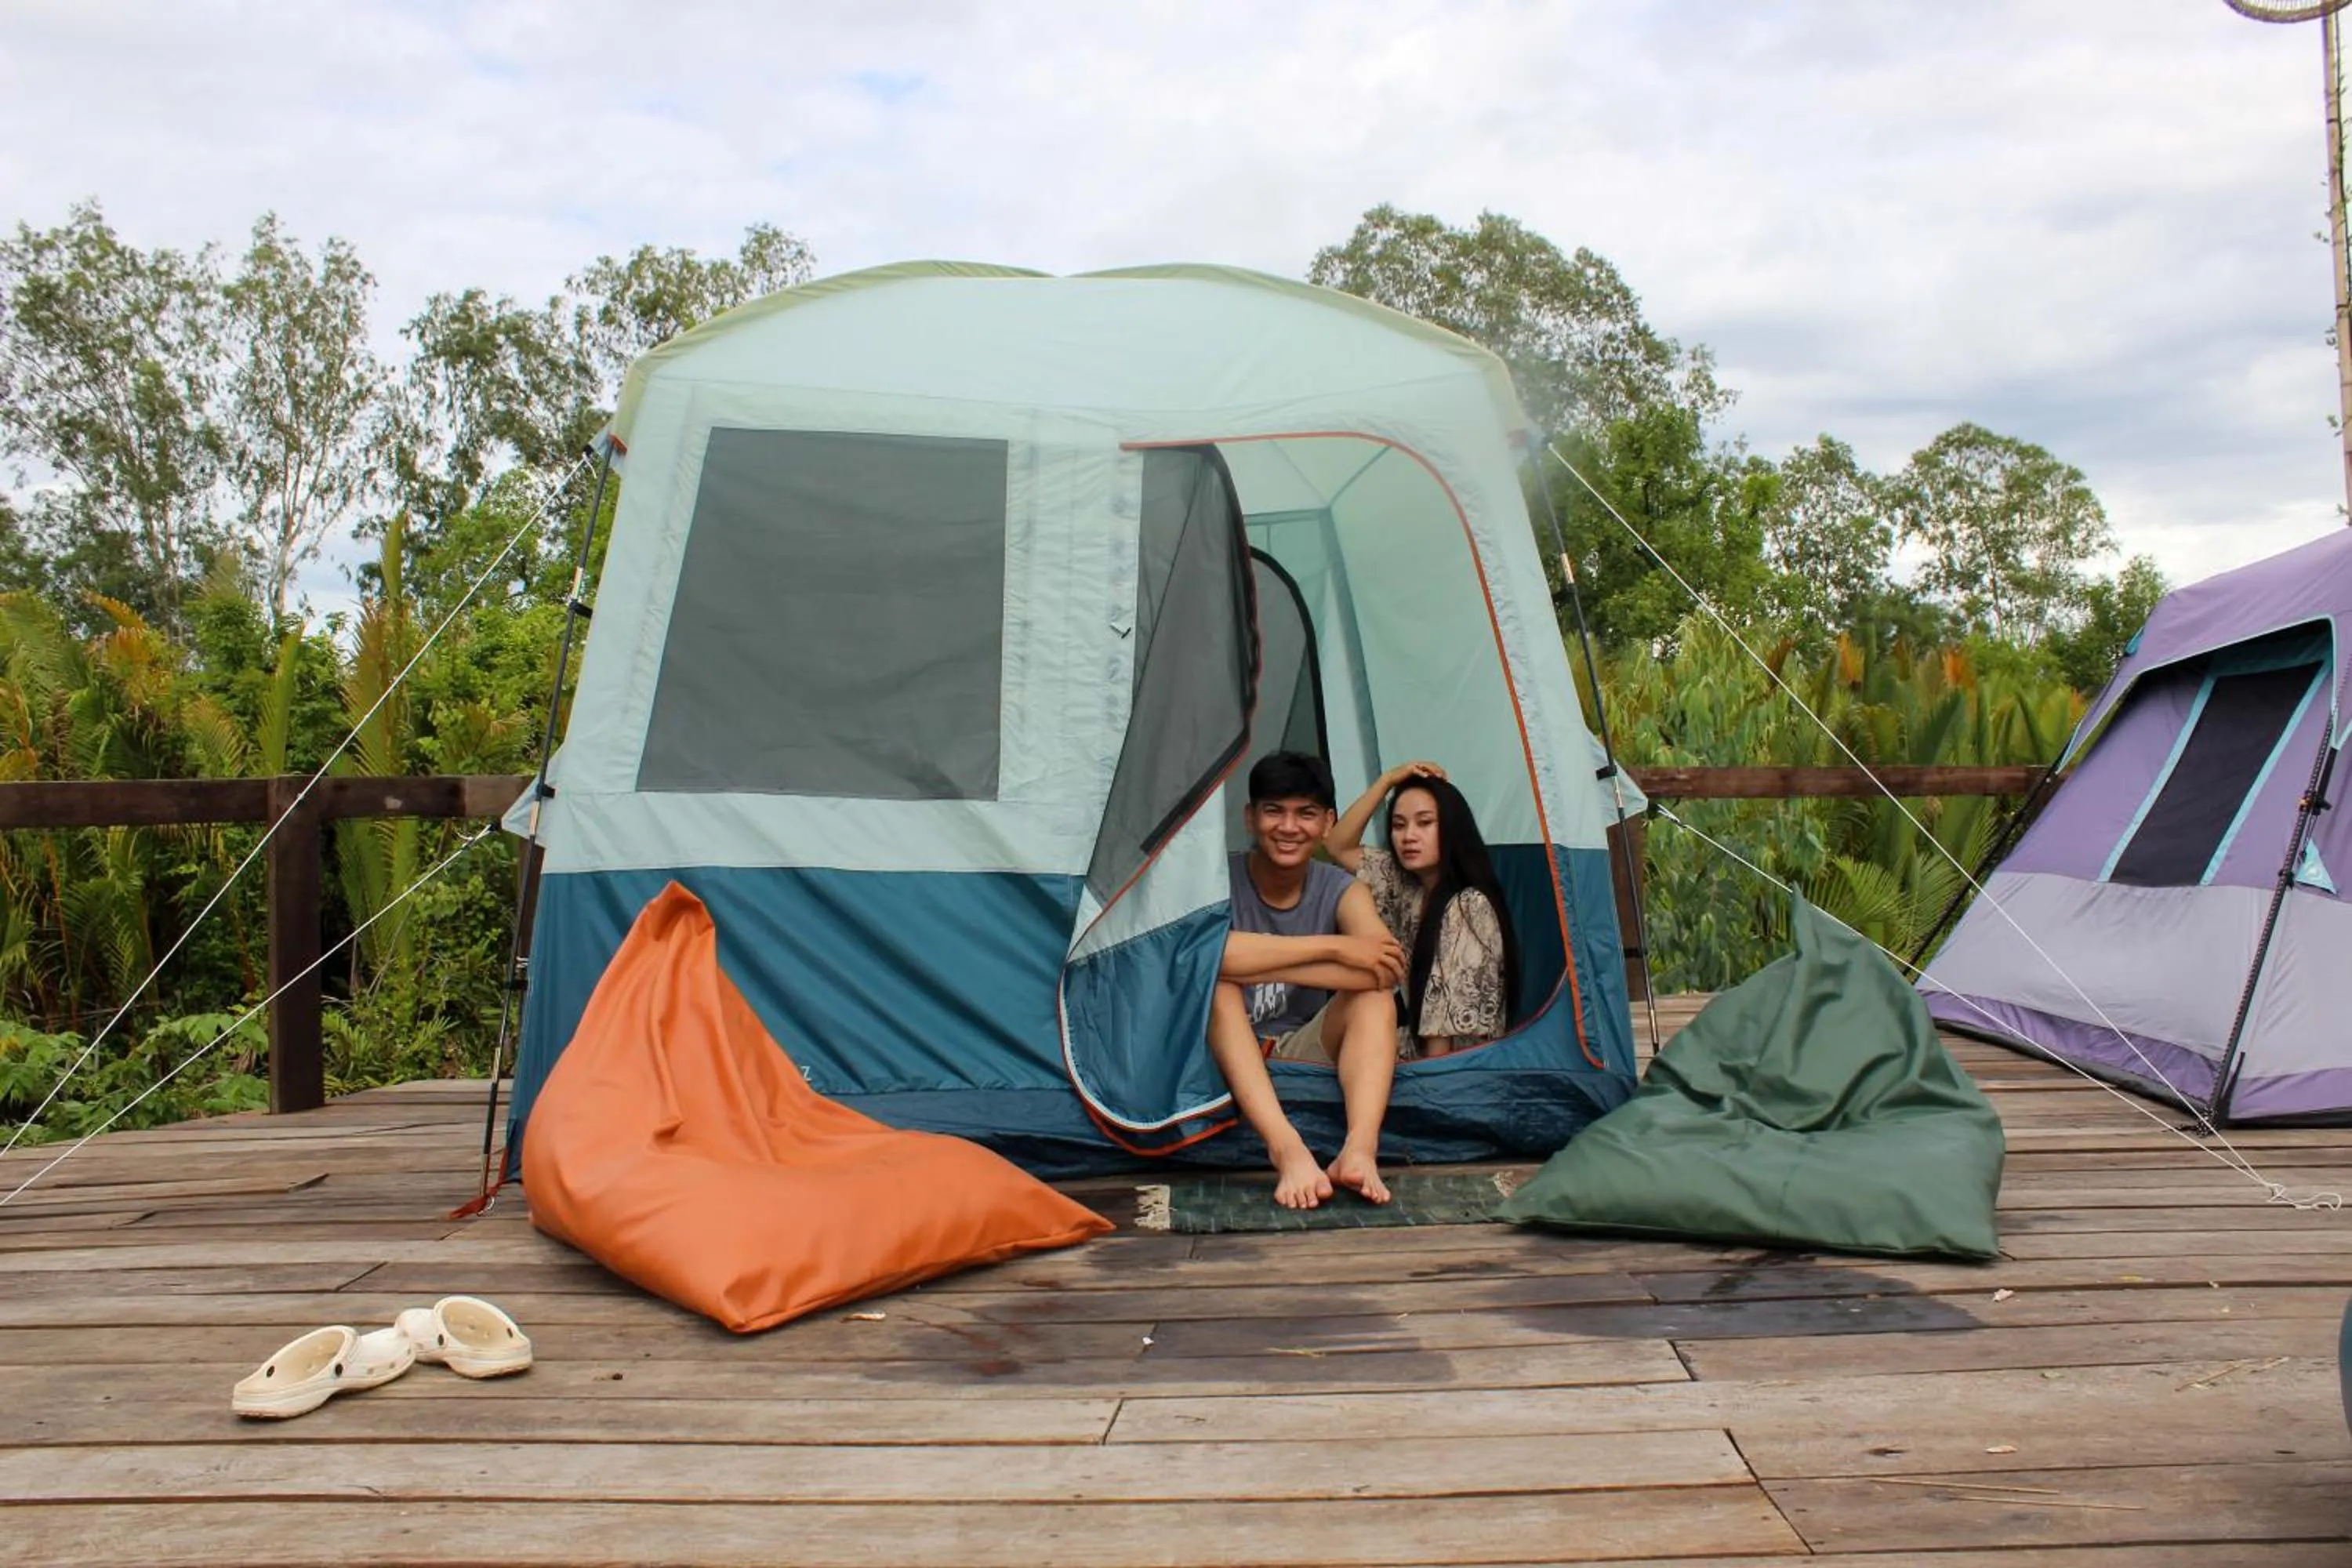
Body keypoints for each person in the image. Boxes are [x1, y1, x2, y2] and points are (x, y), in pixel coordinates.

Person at [1209, 751, 1405, 1210]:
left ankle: (1359, 1151)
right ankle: (1288, 1150)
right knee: (1217, 987)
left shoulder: (1341, 889)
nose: (1289, 827)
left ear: (1327, 823)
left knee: (1374, 996)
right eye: (1274, 811)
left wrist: (1251, 958)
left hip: (1297, 1043)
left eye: (1306, 814)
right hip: (1220, 1044)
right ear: (1250, 817)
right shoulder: (1218, 879)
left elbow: (1384, 965)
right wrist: (1334, 947)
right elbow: (1206, 959)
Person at [1326, 760, 1519, 1060]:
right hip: (1415, 1052)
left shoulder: (1469, 906)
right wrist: (1387, 781)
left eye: (1425, 822)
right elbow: (1338, 846)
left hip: (1456, 1068)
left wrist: (1429, 1091)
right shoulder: (1407, 886)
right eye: (1399, 825)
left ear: (1452, 828)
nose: (1409, 836)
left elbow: (1442, 1034)